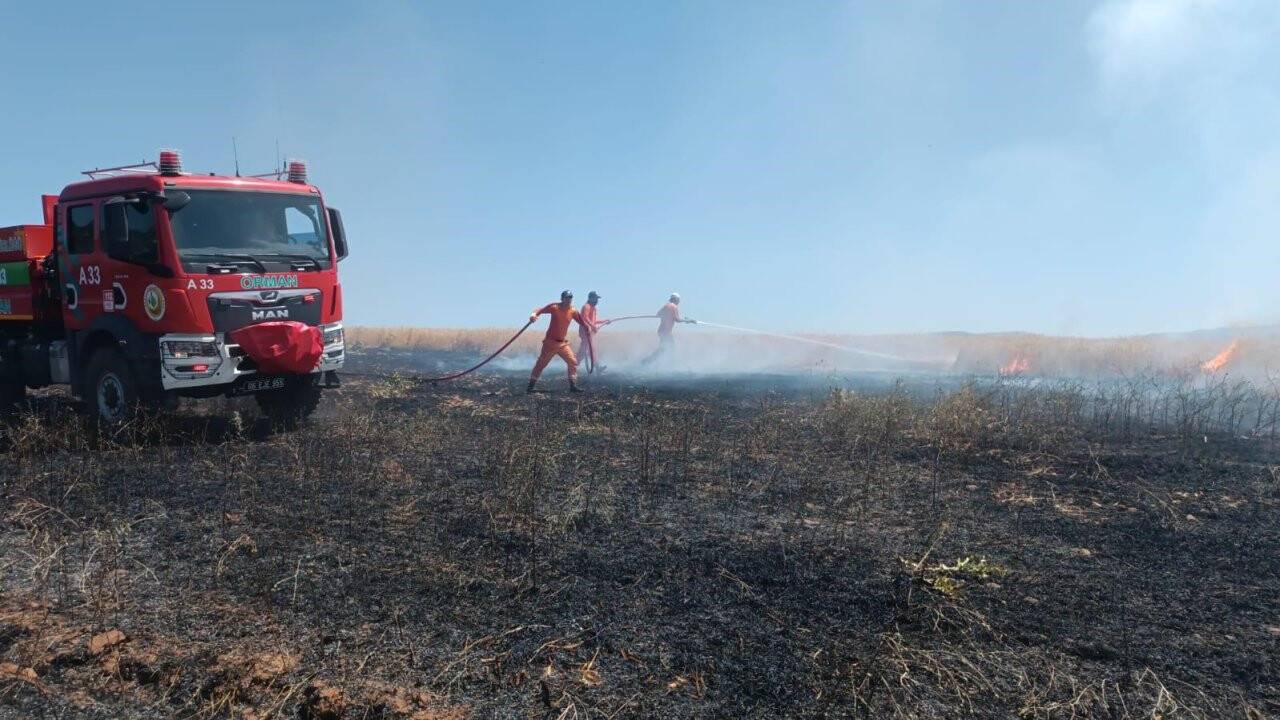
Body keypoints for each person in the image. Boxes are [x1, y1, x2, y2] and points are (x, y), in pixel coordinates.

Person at [527, 290, 590, 393]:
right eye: (566, 298)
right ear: (562, 299)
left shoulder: (573, 311)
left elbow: (581, 321)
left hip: (562, 344)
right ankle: (530, 387)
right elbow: (539, 310)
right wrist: (534, 315)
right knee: (541, 364)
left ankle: (573, 386)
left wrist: (586, 327)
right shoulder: (554, 307)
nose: (569, 300)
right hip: (550, 343)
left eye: (570, 298)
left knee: (573, 362)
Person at [642, 292, 695, 365]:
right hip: (666, 333)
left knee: (664, 349)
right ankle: (648, 362)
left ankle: (648, 361)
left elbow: (658, 314)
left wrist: (667, 316)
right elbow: (677, 319)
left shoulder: (666, 306)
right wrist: (688, 321)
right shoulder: (674, 307)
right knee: (669, 349)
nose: (679, 302)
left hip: (661, 331)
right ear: (676, 299)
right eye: (678, 300)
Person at [576, 291, 608, 371]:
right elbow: (585, 318)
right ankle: (573, 365)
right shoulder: (586, 307)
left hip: (590, 333)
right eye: (595, 299)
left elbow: (594, 321)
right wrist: (593, 326)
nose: (597, 300)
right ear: (590, 298)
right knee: (586, 350)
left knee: (589, 350)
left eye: (597, 299)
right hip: (585, 332)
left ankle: (596, 367)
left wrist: (604, 321)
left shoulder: (594, 309)